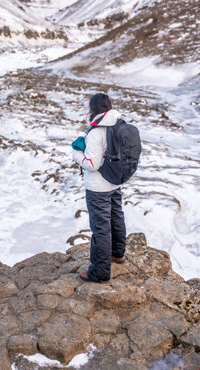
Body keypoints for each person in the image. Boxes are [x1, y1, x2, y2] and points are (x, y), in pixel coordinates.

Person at [72, 93, 126, 283]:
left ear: (92, 110)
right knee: (116, 216)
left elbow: (92, 164)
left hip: (98, 187)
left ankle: (100, 272)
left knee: (101, 228)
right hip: (115, 180)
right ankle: (118, 254)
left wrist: (76, 154)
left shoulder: (96, 132)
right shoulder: (119, 125)